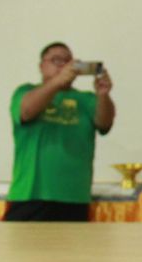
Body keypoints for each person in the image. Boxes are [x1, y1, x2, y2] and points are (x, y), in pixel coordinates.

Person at [6, 42, 115, 222]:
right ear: (42, 66)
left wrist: (103, 94)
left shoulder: (86, 99)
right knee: (22, 241)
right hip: (31, 194)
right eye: (56, 60)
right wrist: (57, 81)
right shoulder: (26, 91)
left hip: (75, 196)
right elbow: (26, 111)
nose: (64, 66)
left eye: (68, 61)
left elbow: (105, 124)